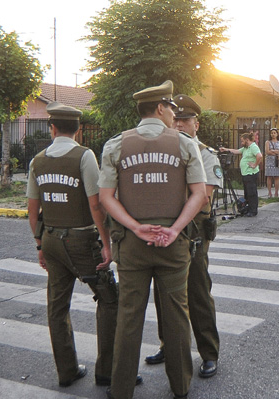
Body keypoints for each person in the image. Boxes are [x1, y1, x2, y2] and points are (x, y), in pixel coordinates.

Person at [98, 81, 207, 399]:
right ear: (160, 108)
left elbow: (106, 197)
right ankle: (181, 385)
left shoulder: (115, 145)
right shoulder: (186, 144)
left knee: (129, 316)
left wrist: (135, 226)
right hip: (173, 245)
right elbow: (199, 194)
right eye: (172, 108)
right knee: (176, 315)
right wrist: (174, 230)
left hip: (132, 245)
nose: (175, 114)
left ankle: (120, 390)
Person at [26, 102, 121, 388]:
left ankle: (66, 370)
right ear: (78, 130)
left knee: (57, 306)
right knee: (109, 299)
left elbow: (32, 210)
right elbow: (95, 204)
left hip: (52, 240)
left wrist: (39, 244)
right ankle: (106, 370)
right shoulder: (84, 156)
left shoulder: (37, 160)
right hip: (82, 240)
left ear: (52, 128)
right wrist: (106, 243)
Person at [143, 94, 221, 378]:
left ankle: (209, 353)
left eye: (184, 121)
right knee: (164, 293)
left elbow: (203, 197)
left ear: (196, 124)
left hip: (194, 233)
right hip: (168, 230)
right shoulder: (164, 153)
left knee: (198, 292)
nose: (178, 125)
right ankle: (170, 346)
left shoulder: (205, 154)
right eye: (174, 120)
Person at [220, 132, 262, 217]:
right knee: (247, 193)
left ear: (247, 140)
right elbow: (236, 151)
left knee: (252, 193)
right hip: (246, 173)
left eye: (242, 141)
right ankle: (248, 208)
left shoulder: (253, 147)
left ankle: (253, 210)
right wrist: (226, 149)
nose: (241, 143)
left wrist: (255, 165)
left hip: (251, 173)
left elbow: (259, 156)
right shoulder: (246, 148)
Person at [264, 128, 279, 198]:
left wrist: (272, 151)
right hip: (269, 161)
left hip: (277, 161)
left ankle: (276, 192)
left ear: (277, 134)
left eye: (274, 133)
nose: (273, 134)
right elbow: (267, 151)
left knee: (277, 177)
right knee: (269, 177)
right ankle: (269, 192)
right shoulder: (267, 142)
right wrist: (275, 152)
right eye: (272, 133)